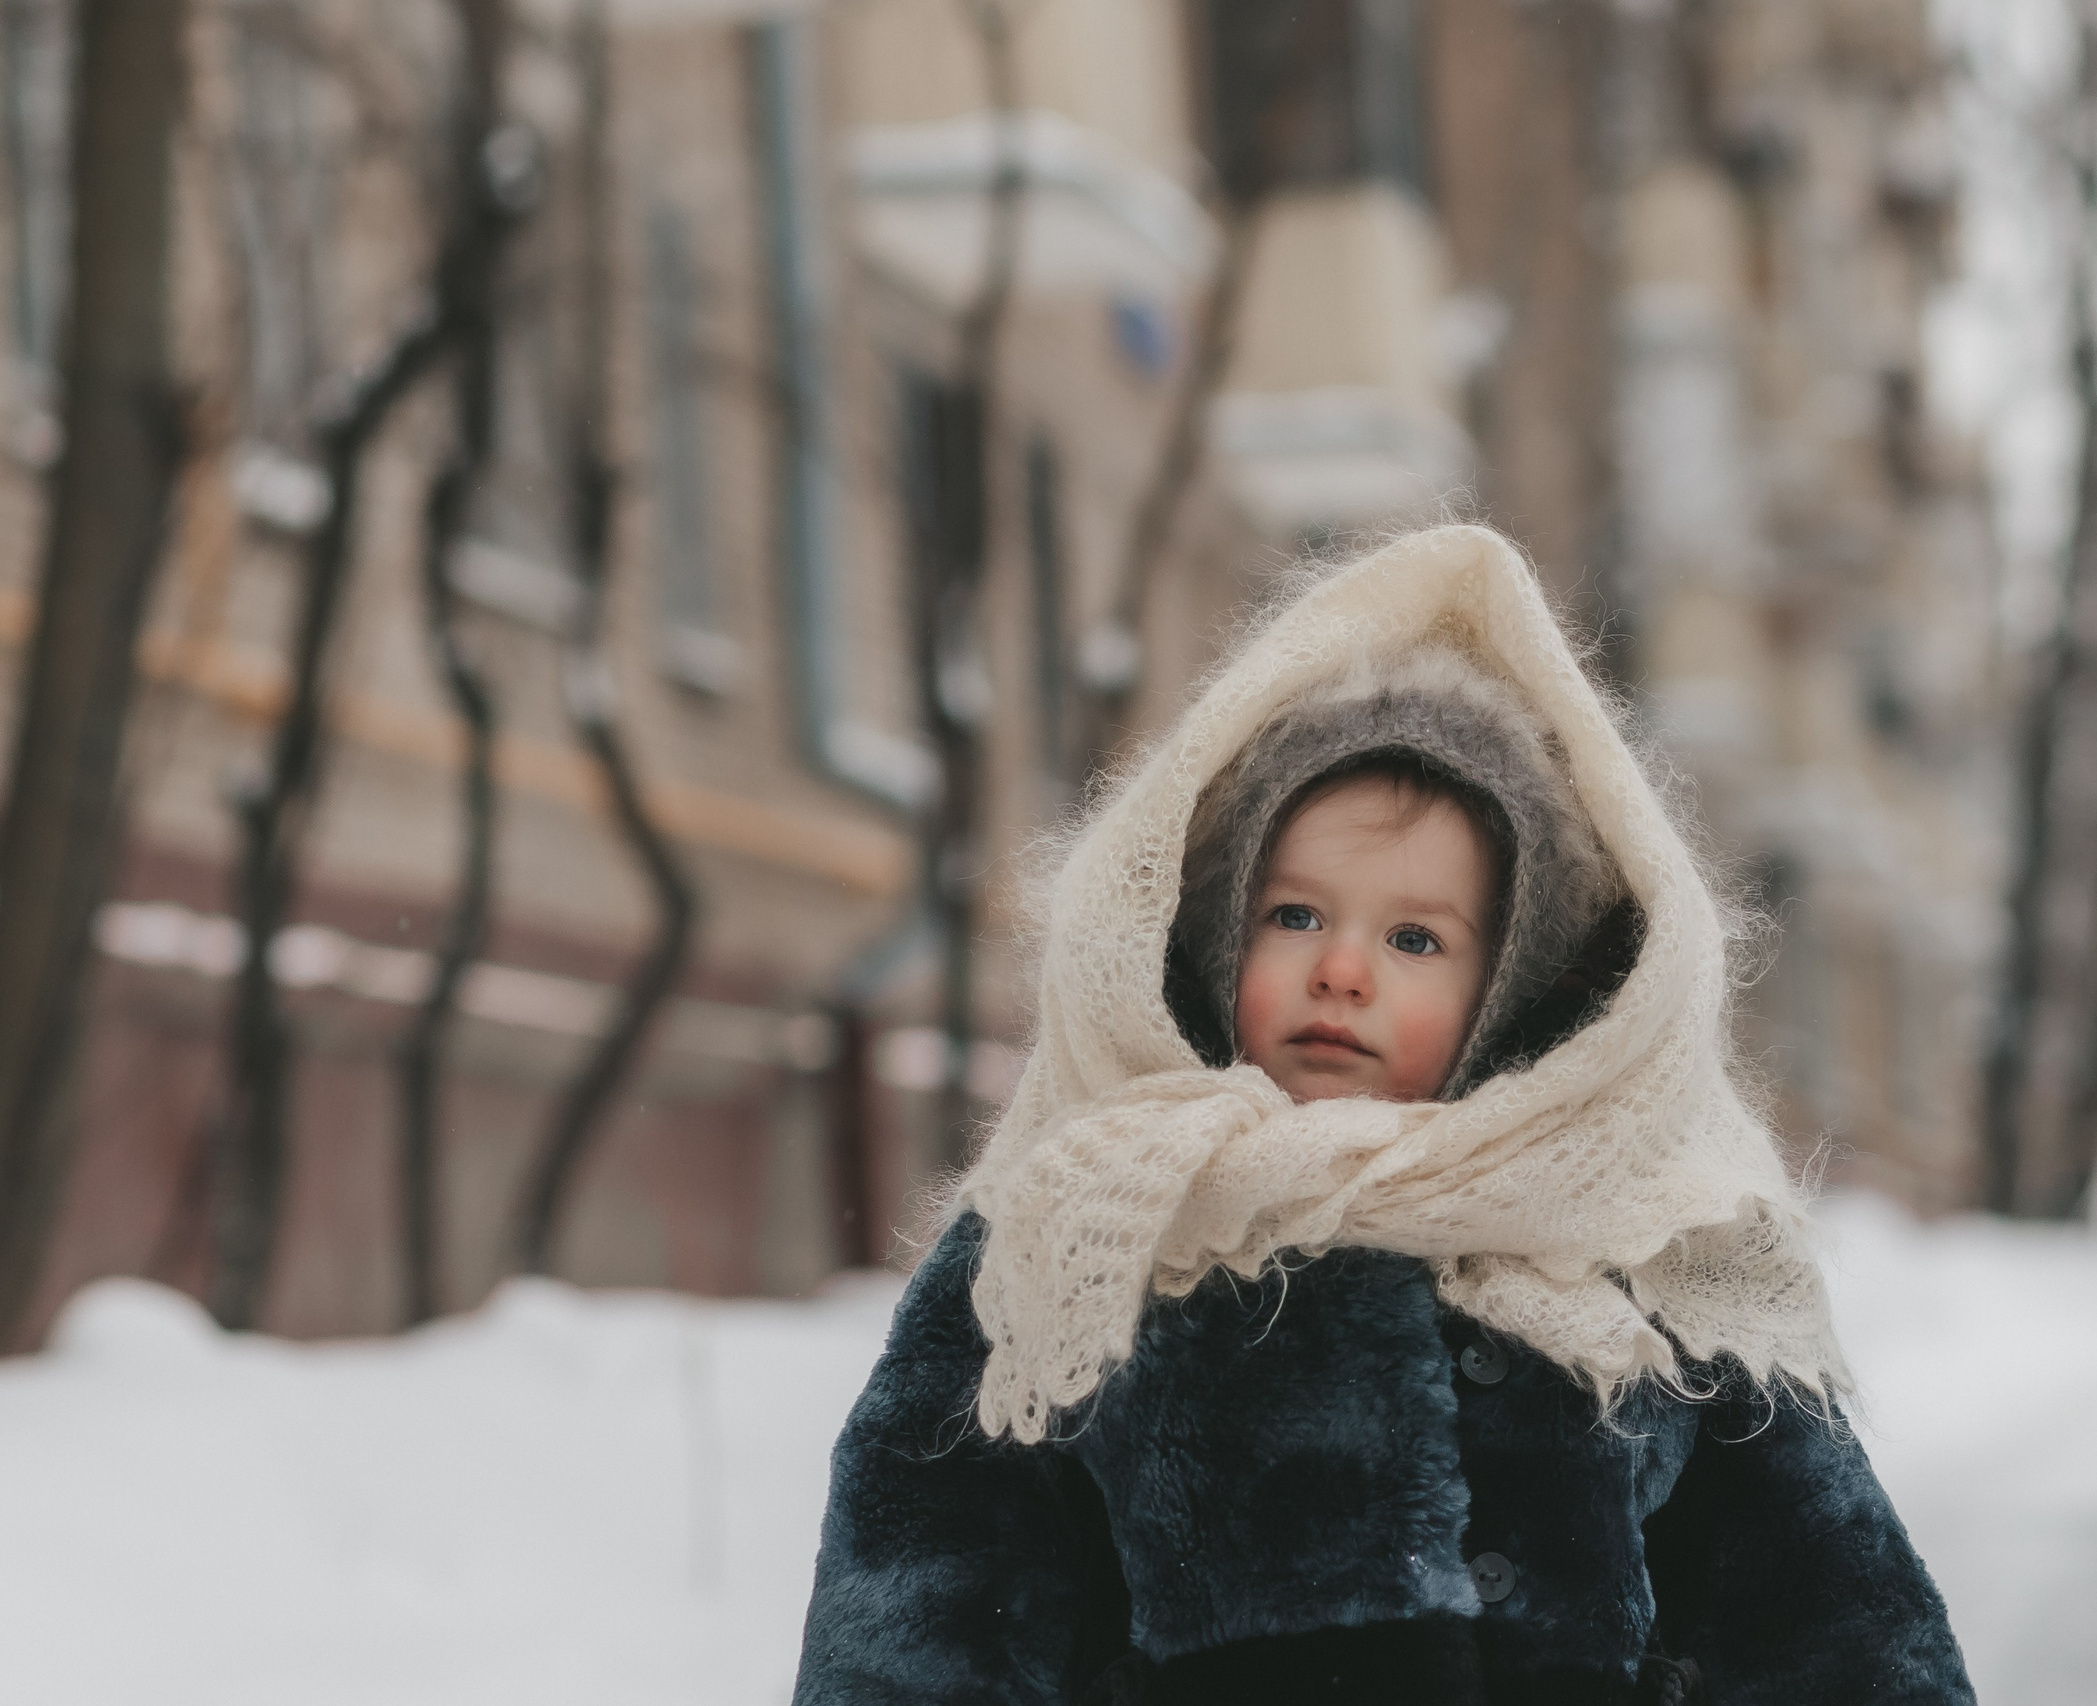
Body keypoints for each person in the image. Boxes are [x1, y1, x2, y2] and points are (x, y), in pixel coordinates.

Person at [791, 527, 1974, 1705]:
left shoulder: (1638, 1236)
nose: (1342, 970)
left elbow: (1829, 1619)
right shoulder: (1092, 1217)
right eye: (1295, 915)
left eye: (1414, 938)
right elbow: (921, 1605)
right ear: (1219, 929)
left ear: (1508, 983)